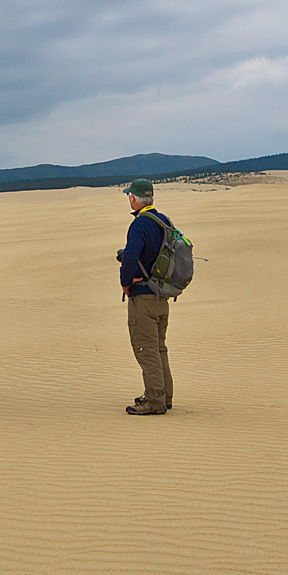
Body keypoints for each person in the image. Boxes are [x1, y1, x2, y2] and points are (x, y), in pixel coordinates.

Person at [117, 177, 174, 415]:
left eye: (129, 195)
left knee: (146, 348)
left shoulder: (140, 224)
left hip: (144, 297)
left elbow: (131, 257)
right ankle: (165, 396)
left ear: (134, 198)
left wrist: (126, 283)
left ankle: (154, 401)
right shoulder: (164, 221)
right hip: (162, 295)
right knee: (159, 347)